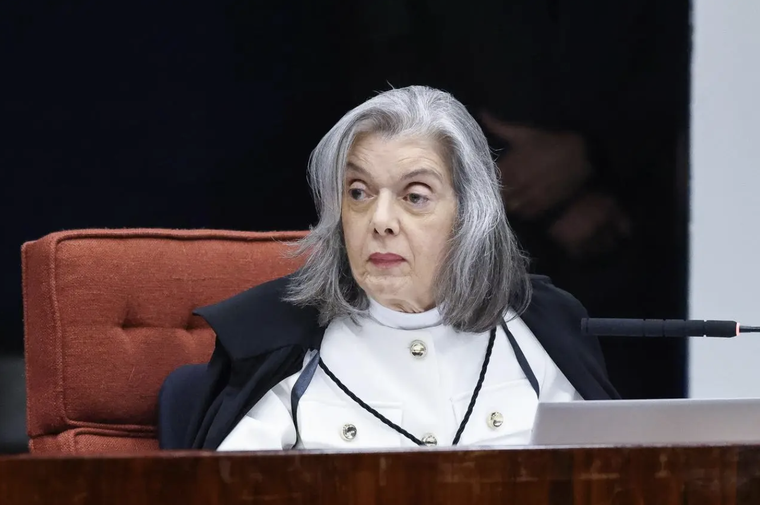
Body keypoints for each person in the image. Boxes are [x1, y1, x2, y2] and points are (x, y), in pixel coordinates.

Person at [178, 86, 619, 451]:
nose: (381, 220)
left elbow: (606, 478)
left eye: (415, 196)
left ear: (468, 214)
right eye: (358, 192)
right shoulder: (277, 345)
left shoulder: (543, 329)